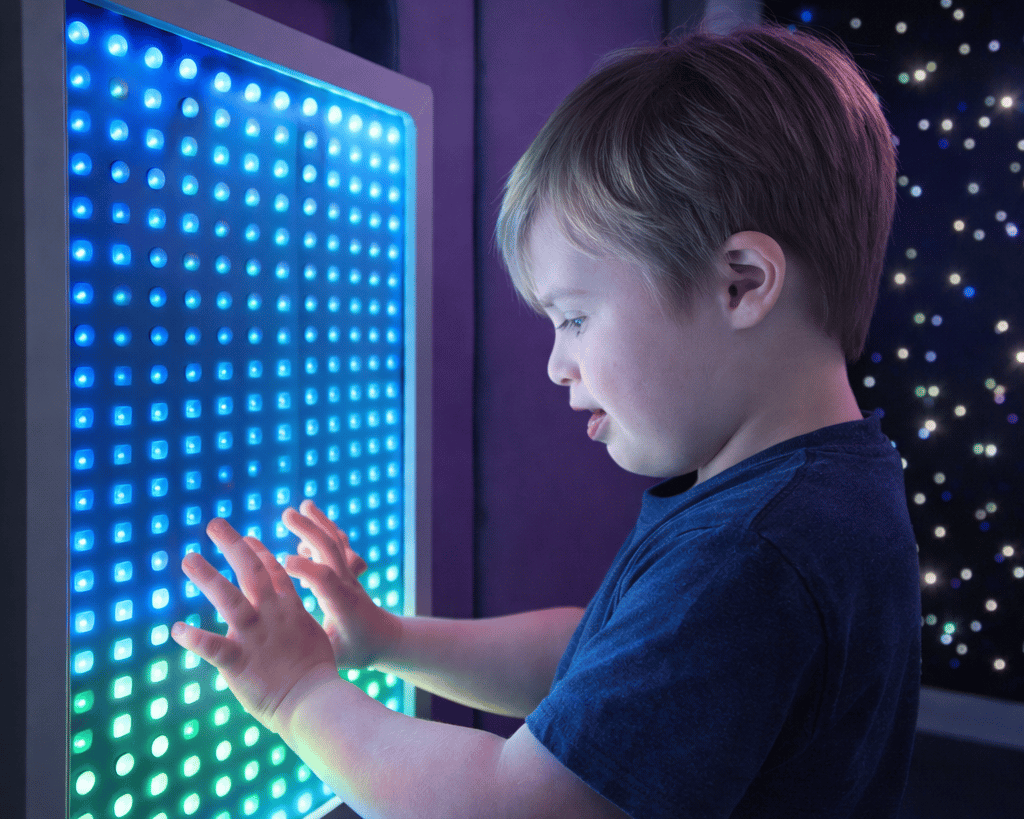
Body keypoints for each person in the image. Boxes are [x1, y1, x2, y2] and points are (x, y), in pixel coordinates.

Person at [171, 22, 921, 819]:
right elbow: (598, 656)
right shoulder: (821, 487)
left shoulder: (752, 553)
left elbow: (518, 806)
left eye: (573, 318)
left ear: (739, 283)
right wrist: (386, 637)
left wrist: (294, 691)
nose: (557, 364)